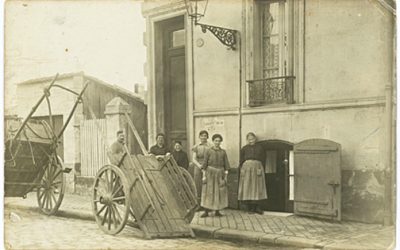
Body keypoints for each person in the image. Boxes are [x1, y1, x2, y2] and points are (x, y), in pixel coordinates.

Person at [200, 134, 230, 217]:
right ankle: (206, 211)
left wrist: (225, 177)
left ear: (221, 142)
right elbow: (204, 165)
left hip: (220, 173)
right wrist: (204, 176)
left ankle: (217, 211)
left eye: (219, 141)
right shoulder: (208, 151)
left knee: (219, 192)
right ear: (213, 141)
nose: (217, 142)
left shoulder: (223, 152)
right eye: (216, 140)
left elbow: (226, 165)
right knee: (208, 192)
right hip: (210, 173)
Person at [238, 132, 267, 215]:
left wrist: (261, 169)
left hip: (257, 168)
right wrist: (241, 170)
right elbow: (241, 160)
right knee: (247, 187)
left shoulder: (260, 148)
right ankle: (249, 207)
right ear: (247, 140)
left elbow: (263, 159)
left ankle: (257, 207)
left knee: (257, 187)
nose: (251, 141)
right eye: (249, 139)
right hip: (246, 169)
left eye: (252, 139)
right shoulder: (244, 148)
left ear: (255, 139)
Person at [192, 130, 212, 205]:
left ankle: (207, 204)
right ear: (199, 137)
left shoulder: (210, 146)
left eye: (205, 136)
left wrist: (206, 166)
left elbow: (211, 157)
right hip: (198, 166)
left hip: (207, 166)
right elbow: (193, 159)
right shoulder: (196, 146)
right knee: (198, 184)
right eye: (202, 135)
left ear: (207, 137)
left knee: (207, 184)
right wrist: (199, 165)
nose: (203, 137)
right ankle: (198, 204)